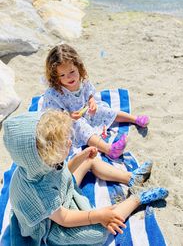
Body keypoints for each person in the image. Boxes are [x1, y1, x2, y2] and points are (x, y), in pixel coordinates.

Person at [3, 110, 168, 246]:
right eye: (63, 143)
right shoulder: (38, 191)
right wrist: (96, 216)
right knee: (100, 231)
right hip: (52, 223)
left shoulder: (41, 165)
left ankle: (131, 178)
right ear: (43, 157)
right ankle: (137, 199)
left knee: (91, 160)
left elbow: (63, 172)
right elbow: (64, 218)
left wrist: (81, 157)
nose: (69, 143)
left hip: (60, 191)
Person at [42, 43, 150, 160]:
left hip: (86, 112)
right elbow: (53, 117)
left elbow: (89, 93)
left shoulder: (82, 81)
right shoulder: (54, 93)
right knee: (80, 126)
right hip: (67, 122)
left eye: (72, 72)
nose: (69, 77)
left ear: (78, 67)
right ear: (55, 77)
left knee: (103, 110)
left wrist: (91, 101)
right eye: (62, 75)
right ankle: (109, 149)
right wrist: (69, 116)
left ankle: (134, 119)